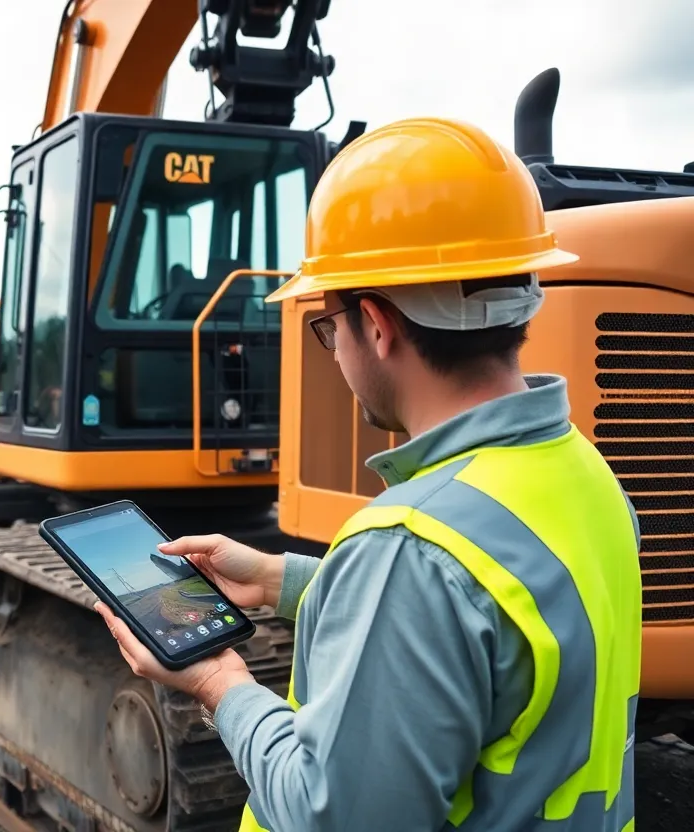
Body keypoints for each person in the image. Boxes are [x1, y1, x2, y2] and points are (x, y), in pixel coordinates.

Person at [94, 117, 643, 831]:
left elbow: (331, 814)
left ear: (377, 325)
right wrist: (277, 580)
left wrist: (219, 683)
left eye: (328, 327)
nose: (334, 350)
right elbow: (498, 621)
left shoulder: (412, 549)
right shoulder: (582, 473)